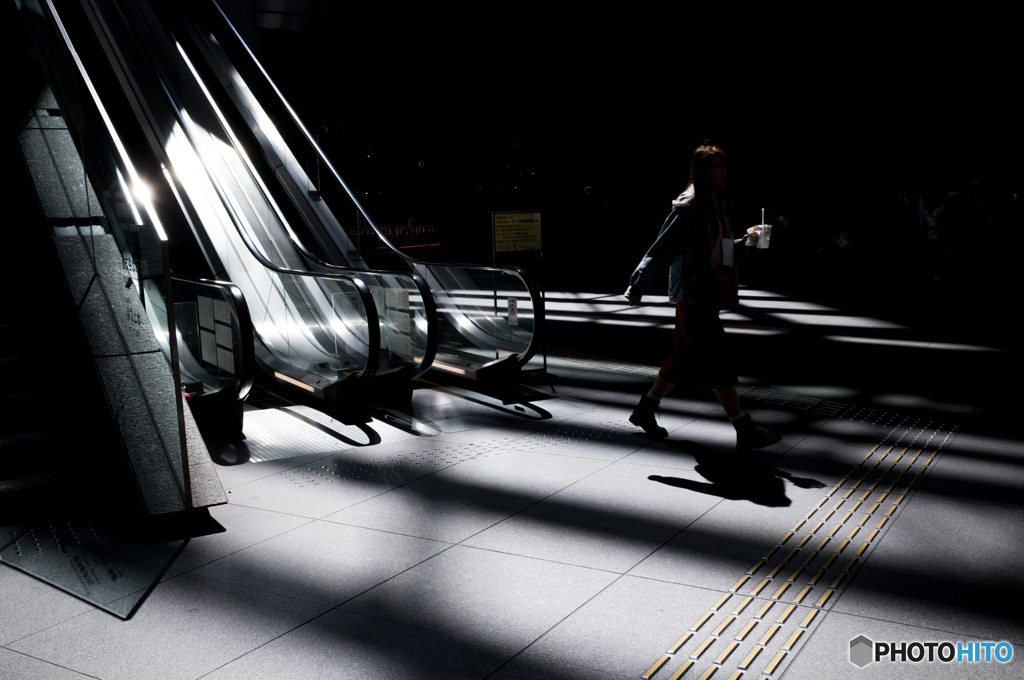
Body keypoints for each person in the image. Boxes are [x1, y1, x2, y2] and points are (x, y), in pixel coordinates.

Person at [623, 141, 781, 449]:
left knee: (682, 360)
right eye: (716, 167)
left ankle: (645, 410)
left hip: (708, 293)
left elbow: (716, 250)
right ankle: (743, 428)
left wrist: (743, 242)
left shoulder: (718, 203)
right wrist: (637, 286)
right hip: (693, 296)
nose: (723, 172)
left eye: (724, 166)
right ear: (701, 171)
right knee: (718, 359)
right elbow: (661, 250)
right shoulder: (688, 209)